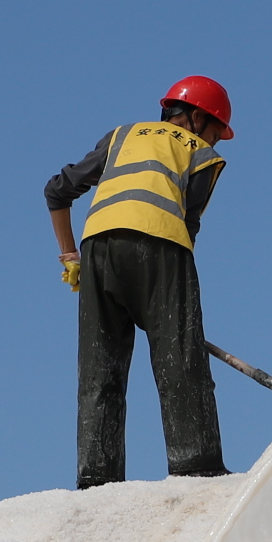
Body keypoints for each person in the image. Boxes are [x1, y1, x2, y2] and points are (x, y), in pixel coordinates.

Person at [46, 76, 235, 488]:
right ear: (199, 118)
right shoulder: (201, 153)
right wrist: (174, 318)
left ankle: (97, 478)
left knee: (100, 369)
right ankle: (197, 467)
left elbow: (56, 192)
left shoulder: (121, 136)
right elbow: (188, 225)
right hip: (163, 246)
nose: (216, 140)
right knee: (180, 362)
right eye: (218, 130)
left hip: (97, 249)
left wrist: (70, 255)